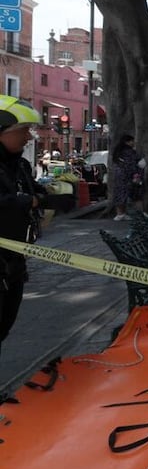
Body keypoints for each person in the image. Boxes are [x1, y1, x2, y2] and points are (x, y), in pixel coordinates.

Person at [0, 97, 54, 360]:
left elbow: (34, 190)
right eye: (23, 131)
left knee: (3, 326)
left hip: (14, 260)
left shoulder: (18, 165)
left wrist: (48, 196)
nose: (29, 137)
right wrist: (25, 201)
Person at [110, 134, 145, 220]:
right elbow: (134, 163)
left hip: (119, 176)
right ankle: (140, 214)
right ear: (127, 142)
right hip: (128, 175)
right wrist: (137, 173)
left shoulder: (118, 152)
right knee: (134, 194)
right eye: (132, 141)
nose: (133, 143)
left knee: (119, 194)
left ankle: (120, 213)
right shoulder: (130, 152)